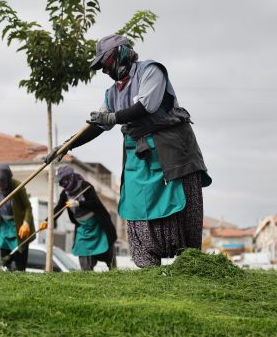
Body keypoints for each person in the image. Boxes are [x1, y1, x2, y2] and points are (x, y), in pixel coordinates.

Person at [44, 34, 212, 267]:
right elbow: (98, 125)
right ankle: (147, 263)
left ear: (121, 54)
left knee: (178, 204)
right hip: (138, 157)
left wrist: (114, 117)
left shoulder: (151, 71)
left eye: (105, 62)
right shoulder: (111, 93)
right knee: (136, 205)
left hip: (171, 152)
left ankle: (188, 264)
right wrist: (65, 146)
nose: (104, 70)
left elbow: (147, 106)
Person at [39, 165, 117, 271]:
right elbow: (58, 209)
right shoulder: (65, 194)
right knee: (82, 250)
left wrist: (79, 203)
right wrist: (47, 221)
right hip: (82, 228)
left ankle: (112, 268)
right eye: (60, 183)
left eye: (63, 182)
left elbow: (95, 203)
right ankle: (86, 274)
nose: (62, 185)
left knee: (106, 250)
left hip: (96, 225)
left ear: (70, 178)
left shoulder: (86, 186)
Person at [0, 164, 35, 271]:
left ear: (8, 179)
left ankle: (19, 274)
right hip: (4, 226)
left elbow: (28, 207)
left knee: (19, 262)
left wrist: (26, 223)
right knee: (4, 260)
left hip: (18, 225)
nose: (0, 188)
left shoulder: (18, 186)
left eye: (2, 185)